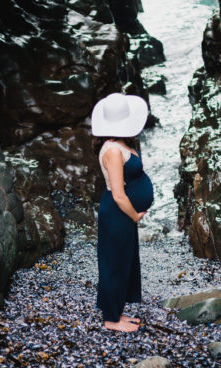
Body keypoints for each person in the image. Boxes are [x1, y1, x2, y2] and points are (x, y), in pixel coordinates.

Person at [91, 93, 154, 332]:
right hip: (118, 213)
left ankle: (115, 311)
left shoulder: (119, 144)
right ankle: (111, 319)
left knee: (122, 259)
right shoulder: (113, 151)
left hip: (121, 214)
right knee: (114, 263)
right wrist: (135, 215)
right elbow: (118, 194)